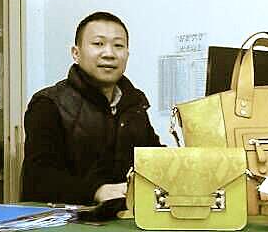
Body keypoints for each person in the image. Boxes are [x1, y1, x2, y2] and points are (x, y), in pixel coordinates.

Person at [21, 11, 162, 206]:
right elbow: (39, 180)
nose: (109, 53)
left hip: (125, 217)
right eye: (98, 44)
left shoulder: (134, 104)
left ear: (127, 55)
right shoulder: (48, 104)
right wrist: (96, 191)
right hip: (71, 220)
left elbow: (155, 160)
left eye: (118, 46)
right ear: (76, 53)